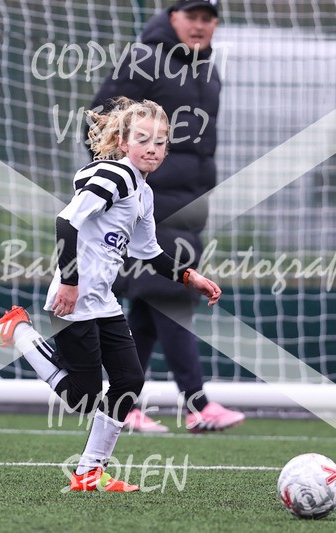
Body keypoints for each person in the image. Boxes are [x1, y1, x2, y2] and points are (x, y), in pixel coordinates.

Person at [0, 97, 222, 492]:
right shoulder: (116, 176)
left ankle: (90, 471)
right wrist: (70, 282)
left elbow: (149, 253)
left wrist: (190, 277)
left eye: (160, 142)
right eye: (144, 139)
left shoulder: (143, 192)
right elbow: (66, 222)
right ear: (124, 142)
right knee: (82, 397)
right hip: (72, 297)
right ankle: (17, 330)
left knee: (128, 381)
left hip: (102, 301)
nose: (153, 148)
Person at [90, 0, 244, 433]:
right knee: (172, 297)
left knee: (150, 305)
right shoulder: (144, 58)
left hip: (190, 206)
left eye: (208, 18)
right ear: (172, 17)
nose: (200, 25)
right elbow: (103, 119)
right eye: (192, 16)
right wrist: (121, 185)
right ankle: (197, 404)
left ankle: (123, 405)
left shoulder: (207, 70)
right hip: (149, 206)